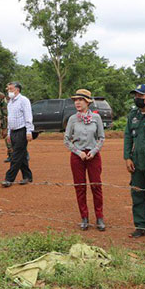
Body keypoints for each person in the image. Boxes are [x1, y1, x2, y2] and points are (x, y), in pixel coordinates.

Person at [64, 89, 106, 231]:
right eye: (75, 100)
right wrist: (78, 152)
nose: (77, 103)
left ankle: (99, 217)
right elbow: (66, 139)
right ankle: (84, 217)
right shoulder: (72, 119)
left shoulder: (96, 118)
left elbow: (101, 137)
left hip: (93, 156)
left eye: (80, 100)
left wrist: (94, 151)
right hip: (78, 156)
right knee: (80, 187)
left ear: (88, 102)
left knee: (96, 186)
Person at [124, 84, 145, 238]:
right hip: (136, 161)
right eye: (136, 96)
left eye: (140, 96)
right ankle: (141, 226)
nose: (137, 99)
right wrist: (127, 157)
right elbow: (128, 136)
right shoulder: (133, 115)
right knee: (137, 194)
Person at [2, 82, 34, 187]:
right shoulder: (10, 102)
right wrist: (9, 133)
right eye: (8, 89)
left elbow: (28, 116)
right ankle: (27, 176)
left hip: (22, 130)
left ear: (17, 90)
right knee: (22, 155)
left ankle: (9, 178)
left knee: (15, 156)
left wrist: (29, 131)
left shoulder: (23, 100)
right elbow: (9, 119)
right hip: (13, 131)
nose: (9, 91)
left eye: (11, 89)